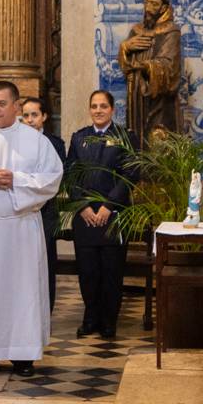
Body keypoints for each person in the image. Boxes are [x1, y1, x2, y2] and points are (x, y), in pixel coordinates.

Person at [0, 82, 63, 376]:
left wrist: (15, 180)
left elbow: (51, 180)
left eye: (1, 104)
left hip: (21, 229)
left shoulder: (36, 141)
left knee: (23, 290)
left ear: (16, 106)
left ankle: (23, 355)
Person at [67, 90, 131, 339]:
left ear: (113, 110)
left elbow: (129, 177)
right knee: (88, 272)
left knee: (111, 272)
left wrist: (109, 206)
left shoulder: (124, 138)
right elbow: (70, 175)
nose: (98, 110)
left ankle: (108, 321)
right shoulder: (79, 138)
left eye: (103, 106)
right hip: (85, 217)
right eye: (94, 106)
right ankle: (90, 317)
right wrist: (83, 206)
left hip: (113, 217)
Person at [117, 0, 182, 144]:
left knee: (157, 145)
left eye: (154, 4)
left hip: (159, 100)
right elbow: (125, 66)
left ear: (164, 7)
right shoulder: (136, 30)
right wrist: (125, 48)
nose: (148, 8)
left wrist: (145, 66)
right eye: (146, 3)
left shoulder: (171, 32)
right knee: (136, 141)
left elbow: (170, 66)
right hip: (136, 95)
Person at [20, 96, 66, 311]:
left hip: (46, 211)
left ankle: (46, 309)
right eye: (26, 115)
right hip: (21, 209)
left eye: (34, 115)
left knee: (46, 262)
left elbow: (55, 178)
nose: (30, 120)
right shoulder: (17, 141)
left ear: (44, 116)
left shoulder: (55, 143)